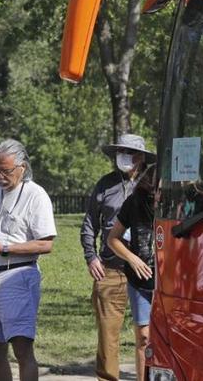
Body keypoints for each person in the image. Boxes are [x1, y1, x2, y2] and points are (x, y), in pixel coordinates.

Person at [0, 139, 56, 381]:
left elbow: (45, 244)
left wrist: (4, 248)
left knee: (21, 348)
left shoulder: (36, 195)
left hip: (17, 276)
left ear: (22, 168)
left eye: (5, 171)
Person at [82, 134, 154, 381]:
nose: (123, 157)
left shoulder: (153, 185)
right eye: (120, 151)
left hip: (148, 272)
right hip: (111, 269)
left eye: (129, 152)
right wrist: (91, 257)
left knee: (147, 336)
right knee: (108, 336)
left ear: (141, 157)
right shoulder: (105, 185)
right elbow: (90, 224)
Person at [106, 162, 159, 381]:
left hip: (171, 283)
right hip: (141, 280)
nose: (158, 194)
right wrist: (132, 258)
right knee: (144, 337)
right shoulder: (134, 203)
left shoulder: (184, 203)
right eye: (155, 187)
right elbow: (112, 239)